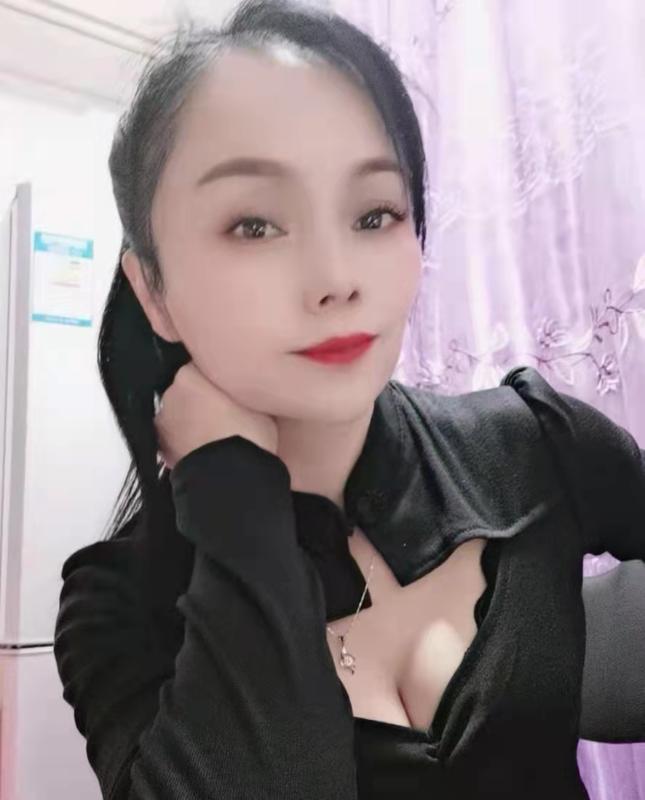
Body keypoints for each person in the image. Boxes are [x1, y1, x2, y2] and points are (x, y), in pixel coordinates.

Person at [52, 1, 645, 797]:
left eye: (374, 213)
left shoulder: (531, 441)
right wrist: (232, 499)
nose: (336, 279)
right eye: (254, 225)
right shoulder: (118, 599)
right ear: (151, 290)